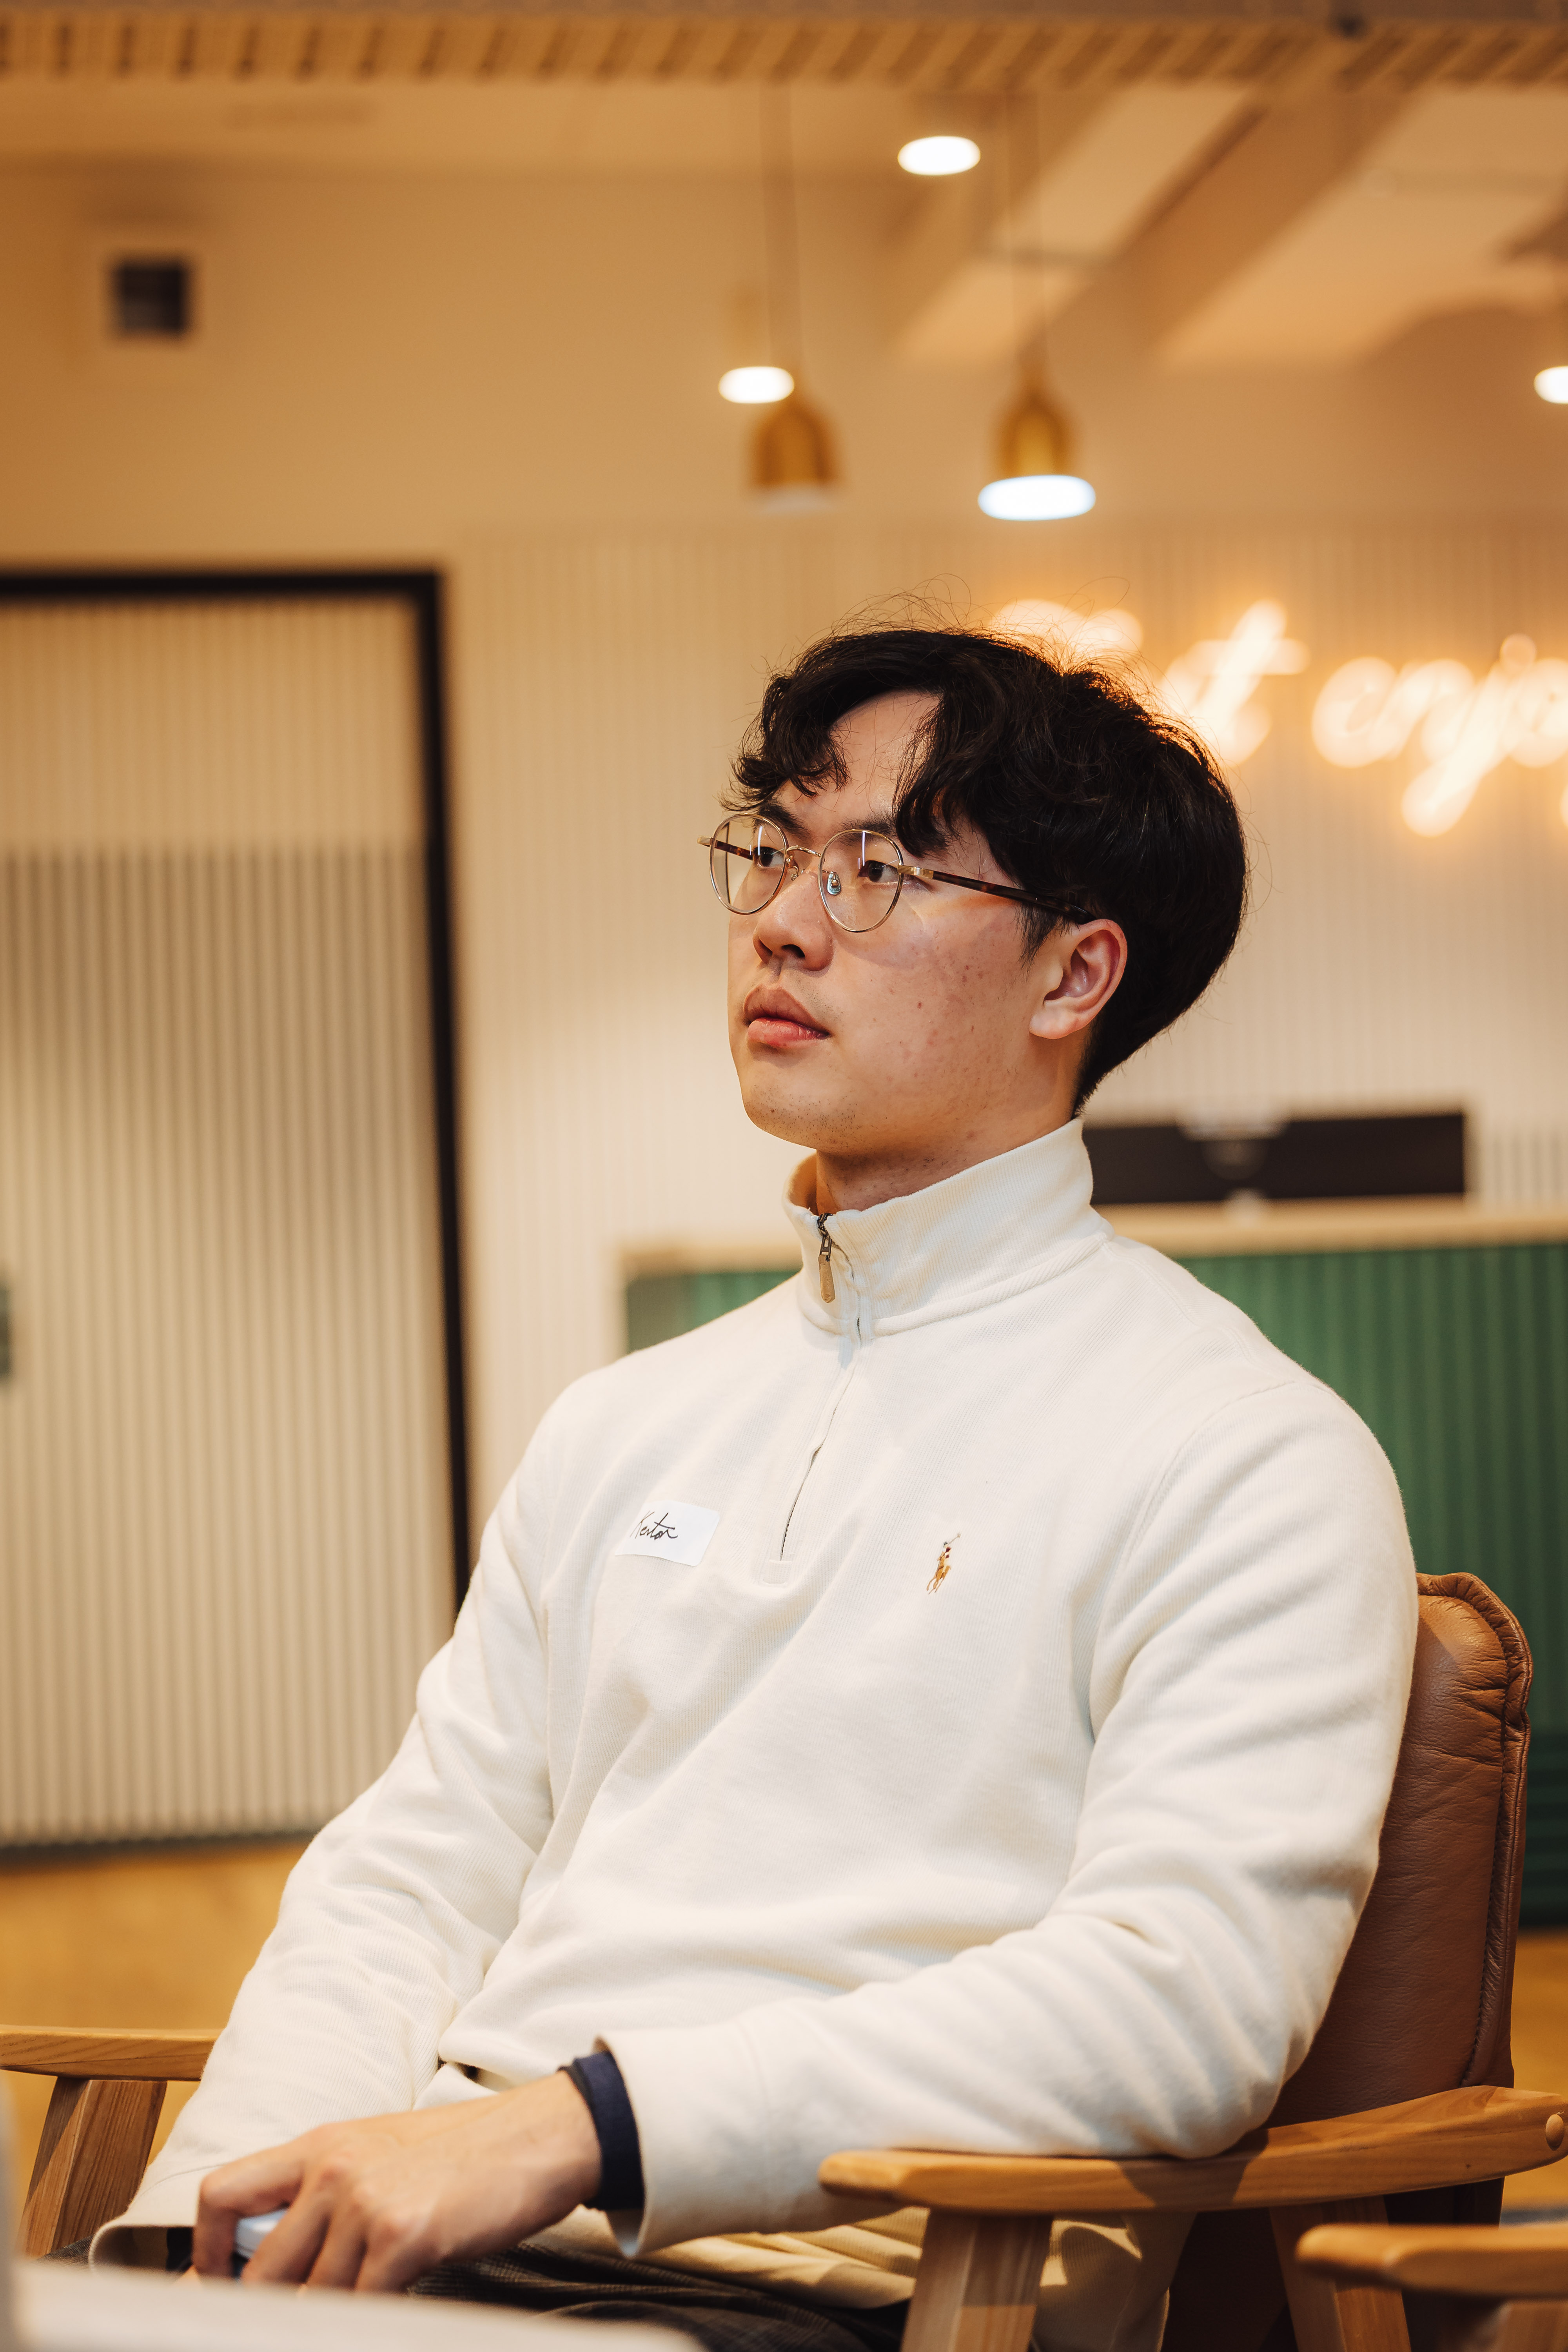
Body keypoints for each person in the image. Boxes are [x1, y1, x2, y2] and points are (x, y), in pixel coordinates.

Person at [100, 624, 1416, 2352]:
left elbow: (1180, 2005)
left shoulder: (1243, 1452)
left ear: (1073, 975)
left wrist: (583, 2128)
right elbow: (414, 1875)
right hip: (437, 2270)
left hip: (841, 2294)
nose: (784, 921)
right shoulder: (626, 1422)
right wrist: (197, 2227)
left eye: (878, 868)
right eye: (778, 851)